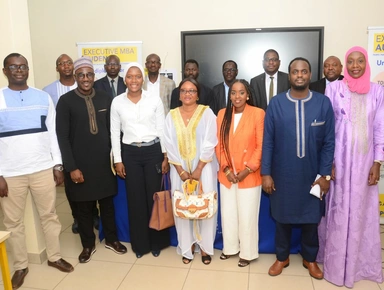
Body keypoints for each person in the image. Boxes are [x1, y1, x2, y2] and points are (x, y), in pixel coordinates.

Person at [0, 53, 74, 289]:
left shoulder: (43, 98)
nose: (18, 70)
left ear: (28, 70)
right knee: (13, 223)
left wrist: (57, 164)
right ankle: (21, 265)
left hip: (43, 168)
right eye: (13, 67)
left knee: (49, 215)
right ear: (5, 71)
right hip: (10, 173)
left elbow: (53, 134)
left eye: (22, 66)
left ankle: (54, 257)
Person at [261, 57, 335, 279]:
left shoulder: (323, 103)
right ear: (289, 75)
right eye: (295, 72)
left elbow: (329, 142)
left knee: (311, 219)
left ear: (310, 74)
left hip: (313, 174)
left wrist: (325, 175)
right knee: (282, 217)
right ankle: (282, 257)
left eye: (304, 71)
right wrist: (266, 173)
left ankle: (310, 259)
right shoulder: (276, 103)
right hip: (283, 173)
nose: (299, 75)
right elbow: (268, 141)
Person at [317, 46, 384, 287]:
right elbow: (327, 129)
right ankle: (334, 266)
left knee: (361, 210)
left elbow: (379, 129)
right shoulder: (333, 88)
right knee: (337, 208)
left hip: (365, 163)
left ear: (366, 64)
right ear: (346, 65)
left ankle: (359, 265)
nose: (355, 66)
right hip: (339, 162)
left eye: (360, 61)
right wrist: (328, 163)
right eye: (351, 62)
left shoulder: (377, 92)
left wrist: (377, 163)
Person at [56, 57, 127, 264]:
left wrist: (117, 159)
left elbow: (114, 132)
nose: (85, 78)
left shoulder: (106, 98)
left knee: (107, 205)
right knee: (84, 208)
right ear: (76, 77)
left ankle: (111, 239)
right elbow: (62, 137)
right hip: (80, 165)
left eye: (89, 74)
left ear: (94, 76)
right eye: (81, 75)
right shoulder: (66, 102)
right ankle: (88, 244)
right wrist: (71, 167)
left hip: (104, 164)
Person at [110, 62, 170, 258]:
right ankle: (140, 245)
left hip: (153, 151)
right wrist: (118, 160)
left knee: (154, 199)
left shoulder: (154, 100)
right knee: (135, 201)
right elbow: (114, 133)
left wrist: (165, 156)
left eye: (137, 76)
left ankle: (157, 243)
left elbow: (162, 129)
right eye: (129, 76)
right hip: (130, 154)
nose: (133, 80)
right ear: (124, 79)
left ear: (142, 79)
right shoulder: (117, 102)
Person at [164, 77, 218, 265]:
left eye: (192, 91)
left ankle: (204, 248)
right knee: (183, 207)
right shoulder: (171, 115)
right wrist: (181, 171)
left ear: (197, 95)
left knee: (204, 206)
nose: (188, 94)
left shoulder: (207, 113)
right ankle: (188, 247)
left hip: (203, 168)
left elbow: (211, 141)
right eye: (184, 91)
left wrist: (199, 169)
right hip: (179, 171)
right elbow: (169, 145)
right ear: (179, 95)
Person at [43, 53, 99, 234]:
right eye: (62, 63)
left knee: (90, 182)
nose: (66, 66)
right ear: (57, 68)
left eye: (69, 63)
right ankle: (77, 218)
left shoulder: (86, 86)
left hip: (85, 145)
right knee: (73, 186)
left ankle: (93, 215)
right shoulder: (49, 91)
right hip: (63, 143)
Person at [216, 79, 265, 267]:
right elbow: (218, 144)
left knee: (247, 215)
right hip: (227, 174)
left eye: (241, 92)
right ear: (229, 96)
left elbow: (261, 146)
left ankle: (248, 252)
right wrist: (226, 169)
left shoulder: (258, 113)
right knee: (228, 214)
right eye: (234, 93)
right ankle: (230, 248)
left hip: (249, 174)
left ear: (248, 94)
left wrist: (247, 169)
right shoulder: (222, 114)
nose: (237, 96)